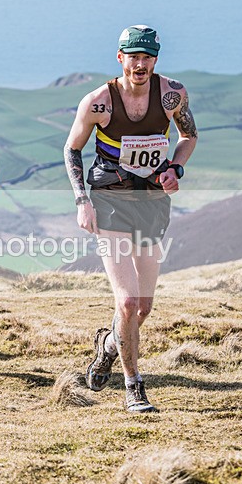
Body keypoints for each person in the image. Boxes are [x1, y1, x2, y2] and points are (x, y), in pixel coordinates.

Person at [63, 26, 198, 412]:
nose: (140, 65)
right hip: (111, 201)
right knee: (126, 301)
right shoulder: (98, 102)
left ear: (155, 60)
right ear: (120, 58)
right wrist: (82, 201)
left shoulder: (172, 94)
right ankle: (133, 386)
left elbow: (188, 136)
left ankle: (108, 346)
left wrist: (175, 168)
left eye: (147, 57)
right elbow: (72, 149)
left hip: (152, 202)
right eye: (133, 57)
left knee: (143, 308)